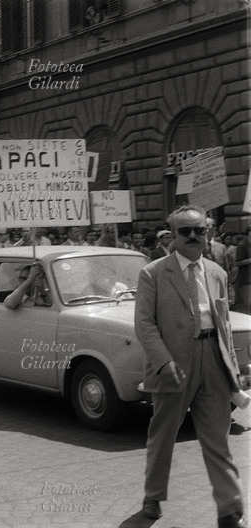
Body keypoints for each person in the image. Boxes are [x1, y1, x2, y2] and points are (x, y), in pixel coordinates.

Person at [134, 205, 246, 527]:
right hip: (173, 363)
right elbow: (144, 324)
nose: (194, 236)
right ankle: (153, 495)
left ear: (207, 234)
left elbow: (224, 325)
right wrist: (163, 360)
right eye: (185, 231)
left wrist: (233, 368)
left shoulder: (217, 272)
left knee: (218, 439)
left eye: (200, 230)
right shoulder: (153, 273)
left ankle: (230, 510)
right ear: (172, 235)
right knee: (163, 435)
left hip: (212, 360)